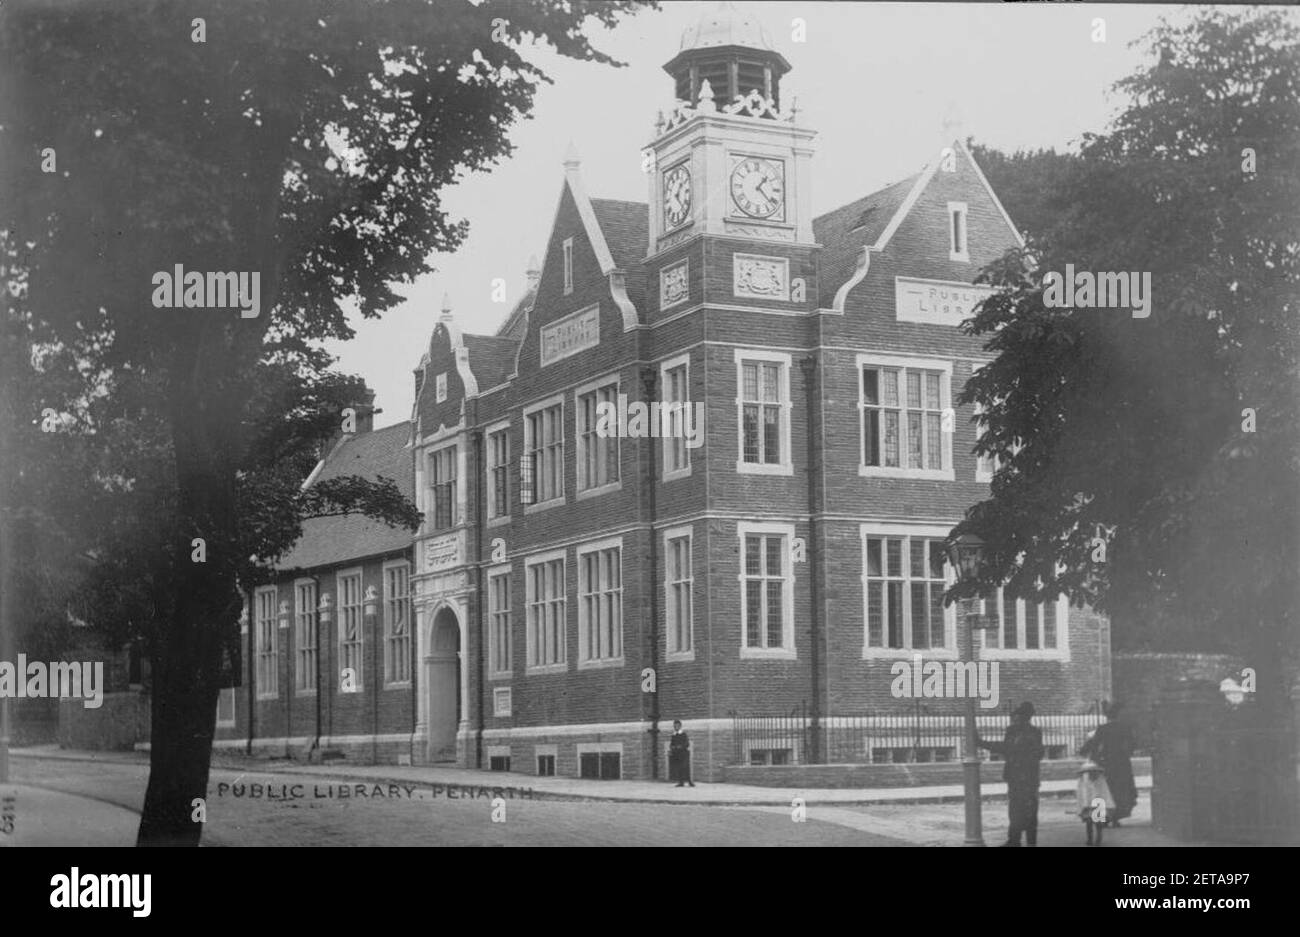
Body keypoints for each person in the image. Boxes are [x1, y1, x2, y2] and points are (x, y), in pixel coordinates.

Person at [979, 701, 1045, 846]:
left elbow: (1007, 748)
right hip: (1021, 778)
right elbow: (1008, 748)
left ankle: (1023, 842)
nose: (1016, 718)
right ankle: (1018, 841)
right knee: (1021, 810)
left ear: (1023, 716)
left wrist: (982, 743)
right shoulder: (1019, 731)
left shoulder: (1029, 732)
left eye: (1019, 715)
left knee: (1024, 811)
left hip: (1024, 778)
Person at [1079, 700, 1137, 826]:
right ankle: (1115, 818)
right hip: (1121, 762)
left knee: (1103, 790)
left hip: (1106, 762)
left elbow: (1093, 746)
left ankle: (1101, 818)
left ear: (1107, 716)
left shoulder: (1102, 728)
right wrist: (1126, 754)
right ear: (1118, 714)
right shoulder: (1125, 728)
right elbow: (1132, 746)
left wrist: (1094, 758)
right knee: (1120, 790)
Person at [1076, 759, 1116, 846]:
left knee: (1098, 824)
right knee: (1089, 823)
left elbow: (1105, 793)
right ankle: (1090, 839)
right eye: (1089, 772)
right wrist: (1084, 805)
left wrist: (1107, 805)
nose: (1092, 773)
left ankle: (1098, 839)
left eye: (1093, 772)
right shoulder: (1083, 781)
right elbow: (1082, 794)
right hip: (1088, 805)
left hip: (1099, 803)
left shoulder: (1101, 780)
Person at [668, 719, 695, 787]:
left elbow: (687, 744)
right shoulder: (673, 735)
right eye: (675, 726)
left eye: (677, 726)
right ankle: (681, 782)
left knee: (685, 768)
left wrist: (681, 746)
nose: (676, 727)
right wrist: (672, 747)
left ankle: (689, 782)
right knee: (679, 768)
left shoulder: (683, 734)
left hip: (684, 753)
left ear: (680, 726)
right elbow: (671, 744)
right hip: (677, 754)